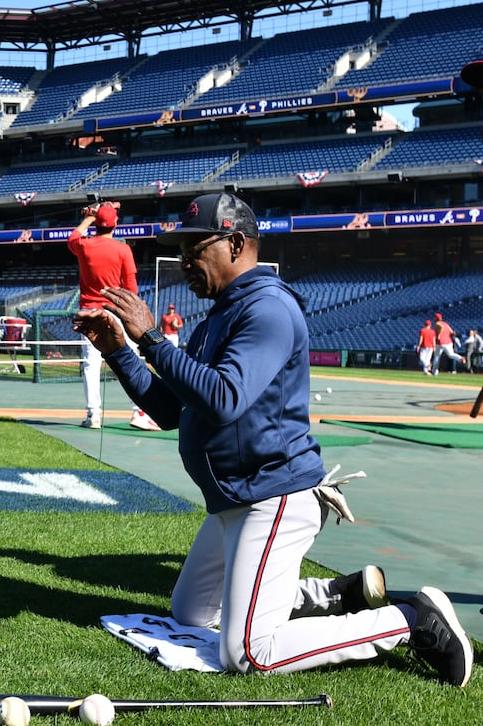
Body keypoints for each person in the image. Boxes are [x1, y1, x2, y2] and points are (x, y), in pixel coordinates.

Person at [73, 192, 471, 685]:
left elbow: (223, 399)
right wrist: (119, 351)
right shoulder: (220, 313)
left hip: (273, 495)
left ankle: (409, 622)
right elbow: (171, 411)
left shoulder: (268, 309)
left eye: (195, 247)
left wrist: (152, 339)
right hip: (235, 498)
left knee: (249, 652)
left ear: (235, 242)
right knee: (190, 615)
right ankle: (333, 596)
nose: (184, 261)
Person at [67, 201, 157, 430]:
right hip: (114, 309)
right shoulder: (122, 249)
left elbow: (72, 239)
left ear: (97, 224)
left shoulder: (85, 246)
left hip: (88, 311)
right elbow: (132, 287)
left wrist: (89, 216)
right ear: (115, 224)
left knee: (91, 364)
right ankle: (138, 413)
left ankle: (93, 416)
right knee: (130, 360)